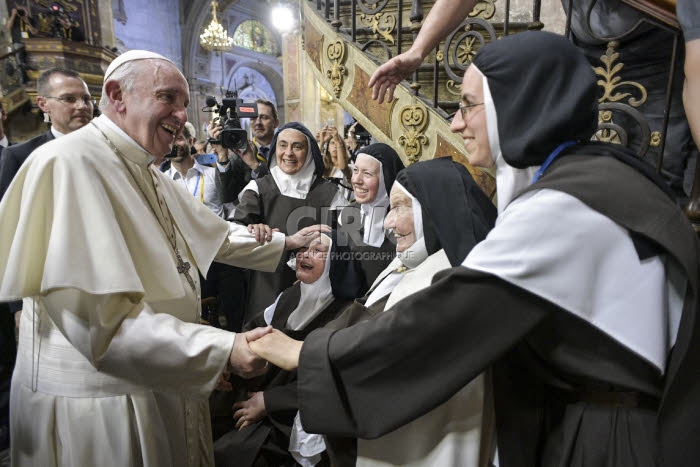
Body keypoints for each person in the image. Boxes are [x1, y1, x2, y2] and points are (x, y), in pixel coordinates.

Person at [251, 32, 700, 466]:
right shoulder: (602, 176)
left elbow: (444, 319)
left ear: (517, 103)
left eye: (467, 105)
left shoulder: (559, 206)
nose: (457, 122)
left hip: (608, 439)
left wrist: (305, 355)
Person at [0, 49, 328, 467]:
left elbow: (215, 234)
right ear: (117, 94)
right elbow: (103, 330)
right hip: (103, 403)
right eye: (167, 98)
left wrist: (286, 242)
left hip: (158, 370)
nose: (180, 114)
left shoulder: (143, 168)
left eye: (183, 102)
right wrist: (223, 347)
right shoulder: (69, 163)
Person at [213, 232, 363, 467]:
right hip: (255, 391)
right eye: (303, 249)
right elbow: (251, 332)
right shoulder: (290, 295)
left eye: (318, 251)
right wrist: (226, 362)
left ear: (335, 264)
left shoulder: (346, 315)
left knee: (234, 455)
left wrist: (269, 402)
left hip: (290, 412)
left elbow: (332, 380)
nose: (304, 254)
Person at [233, 121, 345, 316]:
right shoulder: (258, 189)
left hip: (314, 293)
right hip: (266, 286)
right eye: (282, 145)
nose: (289, 153)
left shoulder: (330, 194)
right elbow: (234, 236)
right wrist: (254, 230)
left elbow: (344, 242)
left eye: (297, 146)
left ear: (310, 152)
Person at [0, 68, 93, 200]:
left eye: (86, 98)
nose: (82, 106)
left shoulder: (108, 147)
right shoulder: (20, 156)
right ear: (43, 104)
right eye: (69, 99)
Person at [340, 143, 404, 289]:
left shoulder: (404, 223)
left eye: (367, 174)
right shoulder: (348, 214)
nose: (356, 180)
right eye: (355, 170)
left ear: (386, 178)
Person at [216, 98, 280, 204]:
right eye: (253, 118)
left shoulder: (286, 151)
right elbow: (226, 197)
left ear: (276, 122)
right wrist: (222, 155)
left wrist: (255, 165)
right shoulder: (241, 153)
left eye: (264, 117)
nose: (258, 123)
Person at [322, 128, 353, 202]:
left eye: (338, 144)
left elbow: (343, 168)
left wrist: (338, 142)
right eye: (332, 143)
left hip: (341, 208)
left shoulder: (350, 167)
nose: (335, 146)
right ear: (328, 148)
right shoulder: (324, 167)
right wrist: (322, 143)